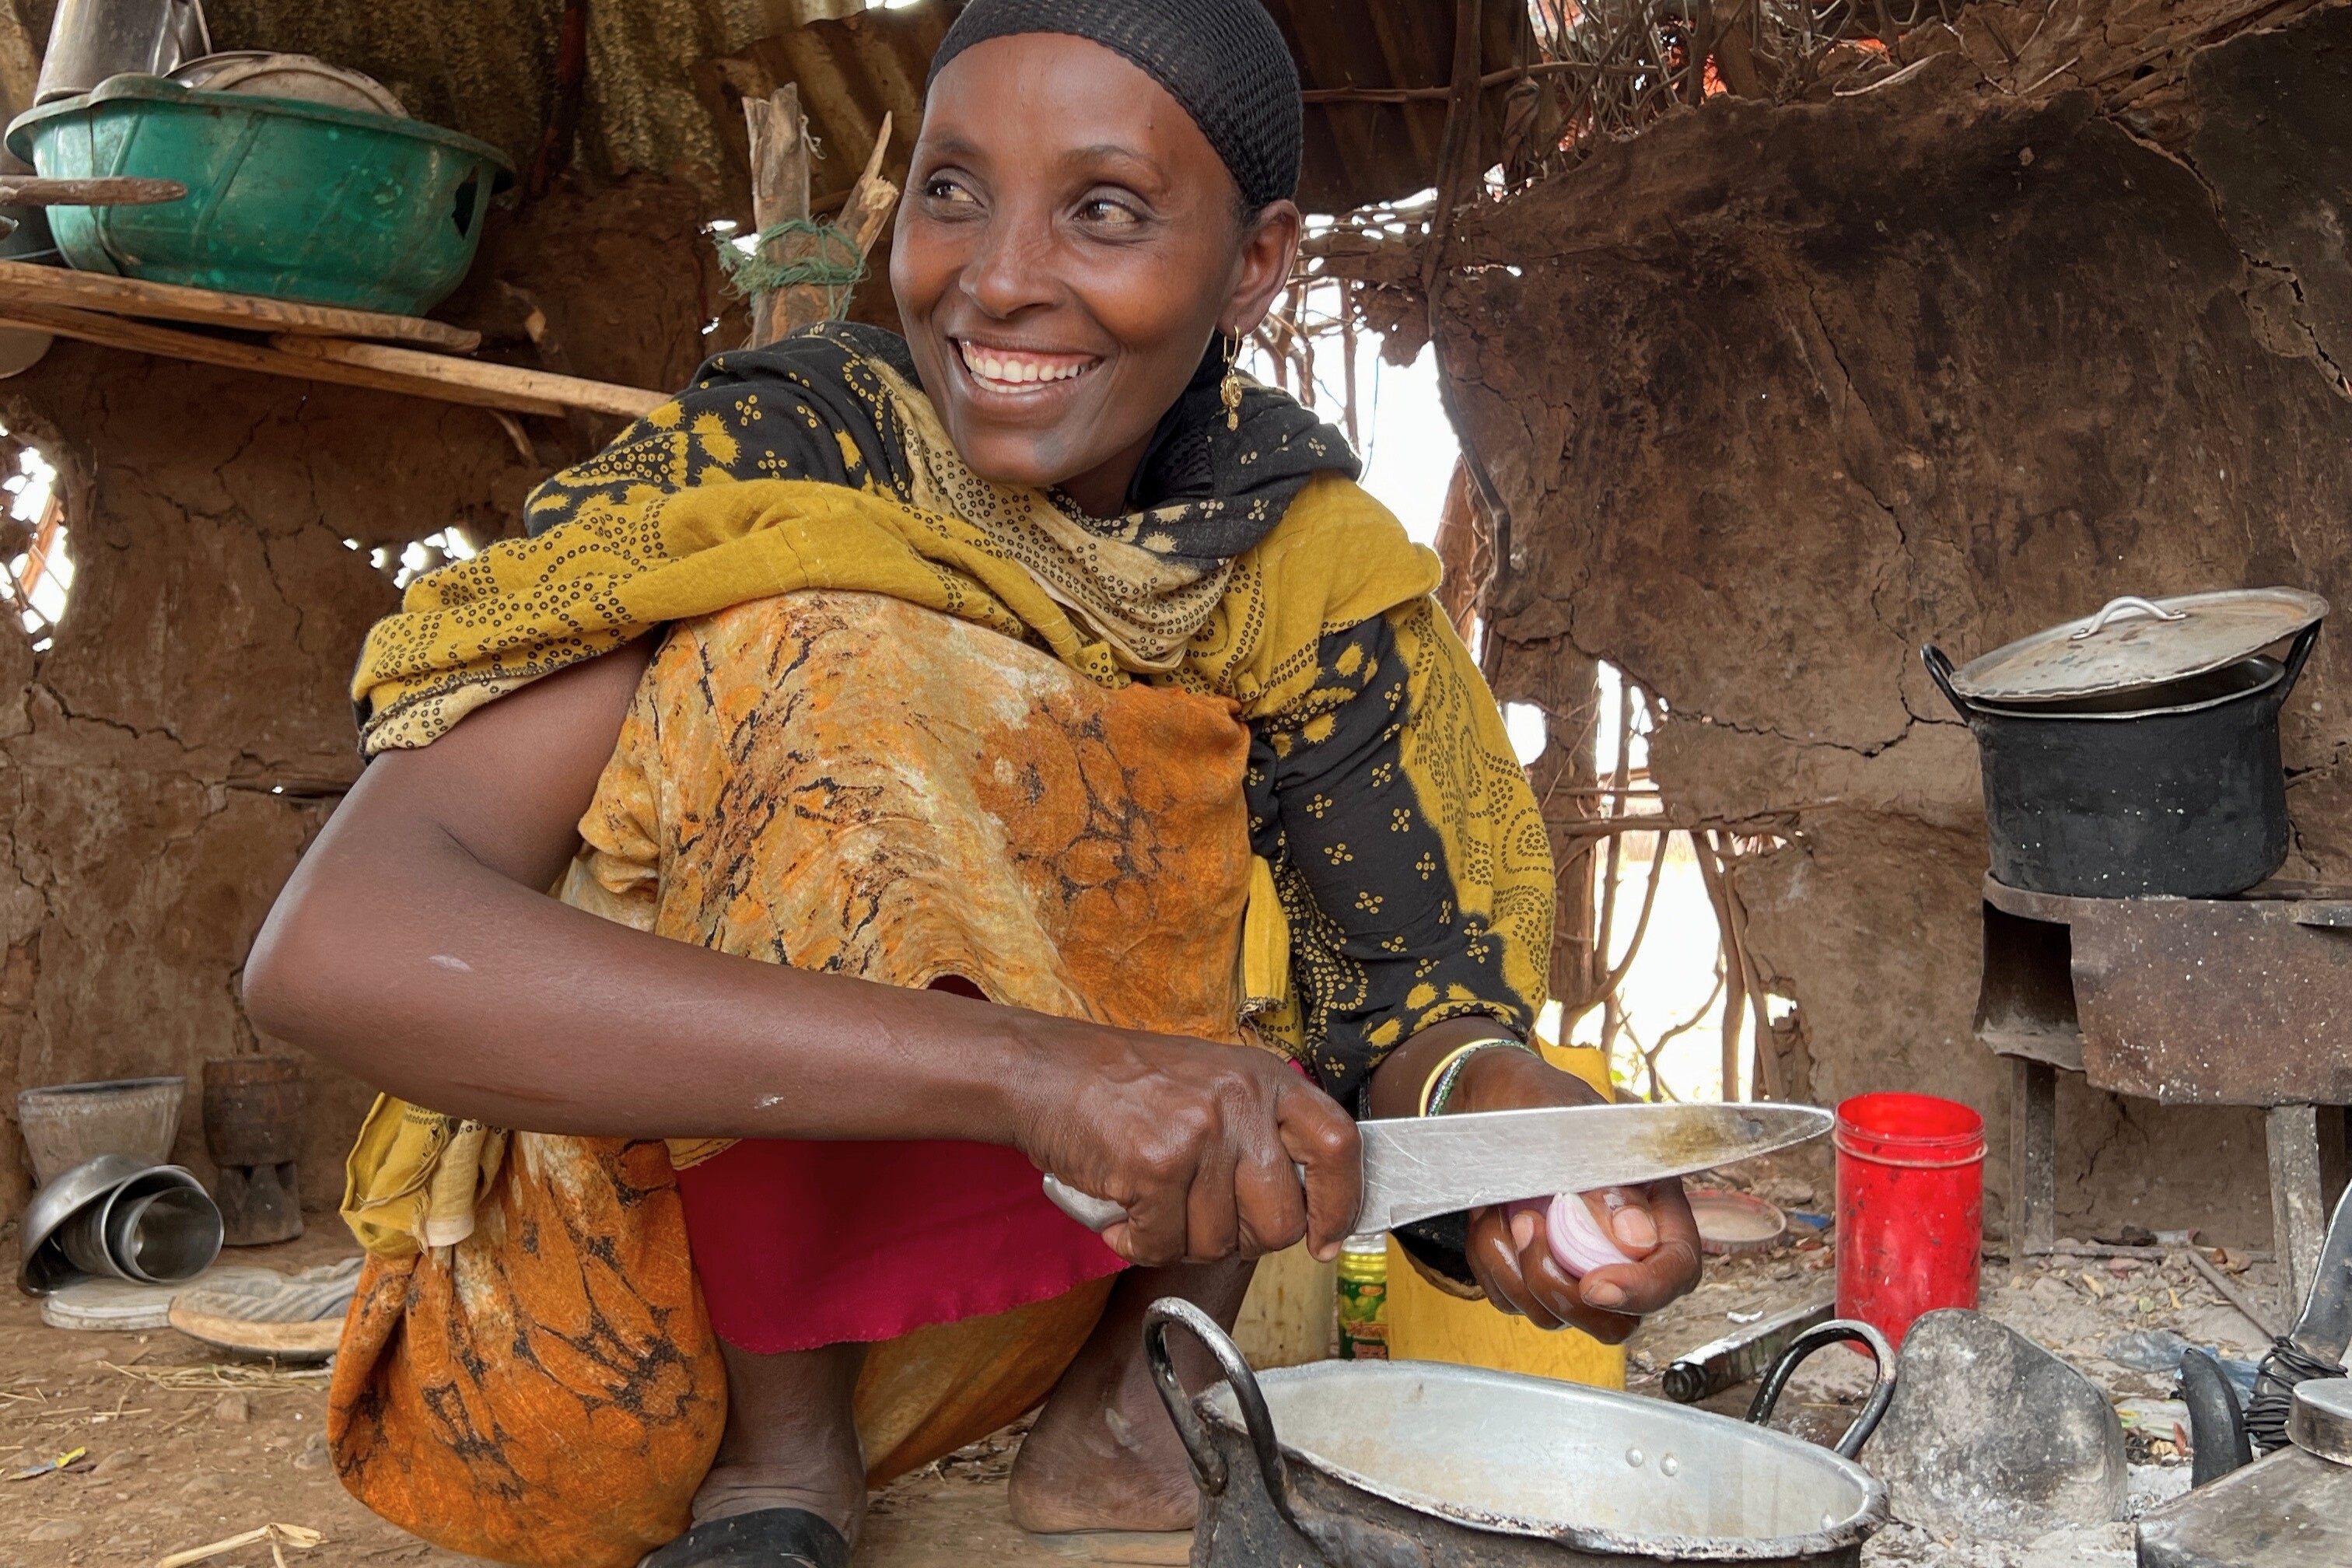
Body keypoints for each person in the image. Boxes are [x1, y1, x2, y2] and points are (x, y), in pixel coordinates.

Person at [243, 3, 1703, 1566]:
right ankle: (781, 1460)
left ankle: (1138, 1409)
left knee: (1225, 779)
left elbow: (1410, 1002)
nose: (997, 276)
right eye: (951, 191)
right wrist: (1040, 1074)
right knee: (824, 651)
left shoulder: (1300, 556)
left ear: (1260, 260)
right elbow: (337, 949)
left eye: (1106, 211)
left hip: (1053, 1282)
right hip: (622, 1321)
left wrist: (1524, 1146)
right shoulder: (778, 473)